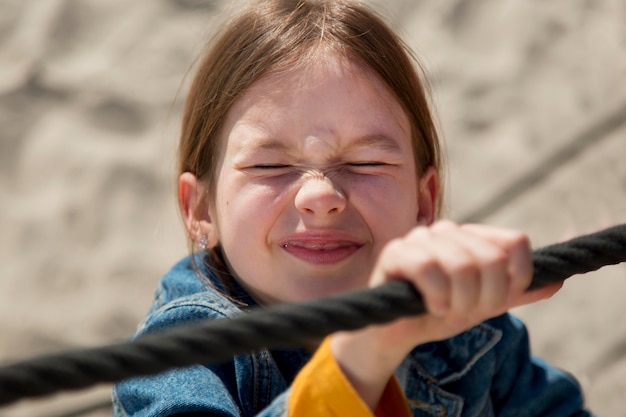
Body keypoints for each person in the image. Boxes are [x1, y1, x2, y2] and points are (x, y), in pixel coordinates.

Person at [112, 1, 593, 416]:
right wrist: (366, 351)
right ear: (200, 209)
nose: (320, 196)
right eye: (271, 164)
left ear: (424, 202)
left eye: (366, 161)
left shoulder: (471, 332)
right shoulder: (177, 353)